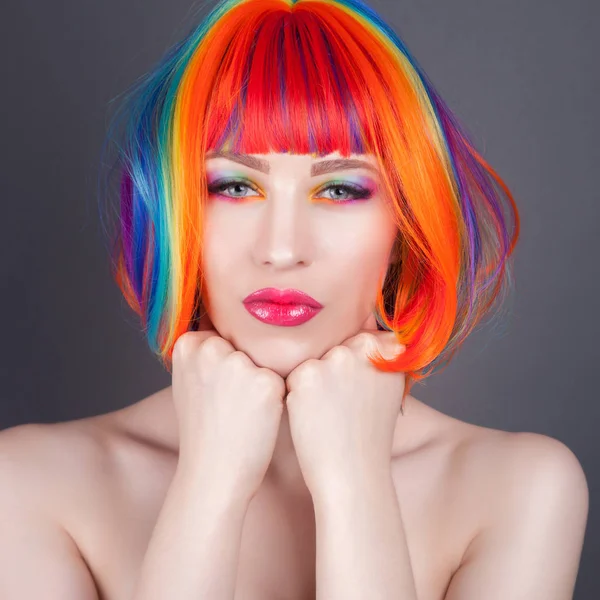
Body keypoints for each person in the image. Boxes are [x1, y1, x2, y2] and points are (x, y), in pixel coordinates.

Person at [0, 0, 589, 599]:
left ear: (404, 226)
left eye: (339, 189)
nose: (282, 249)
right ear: (176, 212)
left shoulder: (519, 488)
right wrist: (210, 486)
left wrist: (355, 485)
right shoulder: (33, 484)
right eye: (233, 185)